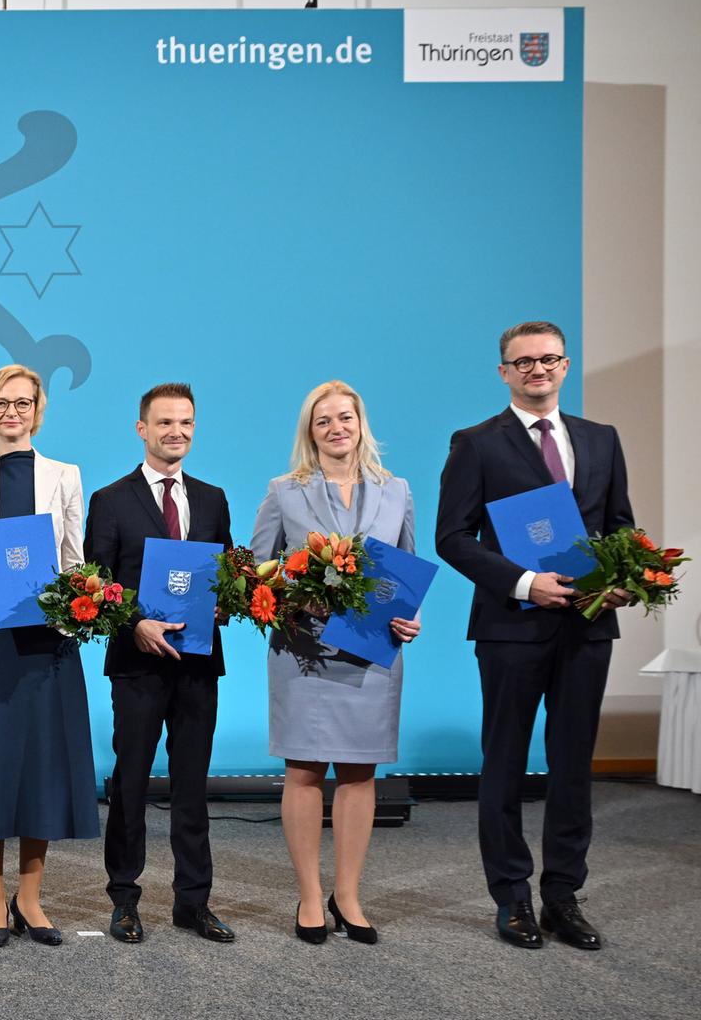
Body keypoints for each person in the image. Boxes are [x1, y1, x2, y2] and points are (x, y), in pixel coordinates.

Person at [435, 320, 634, 951]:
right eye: (523, 362)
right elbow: (452, 538)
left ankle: (563, 898)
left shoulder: (601, 440)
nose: (537, 370)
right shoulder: (476, 443)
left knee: (574, 766)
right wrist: (524, 583)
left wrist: (626, 578)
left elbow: (620, 526)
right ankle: (513, 898)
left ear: (566, 365)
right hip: (511, 627)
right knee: (505, 763)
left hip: (587, 625)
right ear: (504, 372)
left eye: (548, 360)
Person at [249, 380, 420, 945]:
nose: (336, 428)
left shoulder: (397, 491)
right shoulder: (283, 491)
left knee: (359, 772)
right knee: (303, 771)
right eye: (323, 421)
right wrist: (293, 599)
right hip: (305, 652)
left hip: (372, 654)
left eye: (345, 417)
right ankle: (307, 896)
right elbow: (256, 573)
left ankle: (347, 895)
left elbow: (406, 573)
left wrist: (408, 620)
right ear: (310, 432)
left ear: (360, 424)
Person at [0, 364, 98, 948]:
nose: (12, 413)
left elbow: (76, 560)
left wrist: (80, 594)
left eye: (22, 404)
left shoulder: (66, 476)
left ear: (37, 410)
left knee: (41, 766)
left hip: (46, 637)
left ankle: (30, 899)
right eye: (1, 404)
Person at [84, 382, 236, 945]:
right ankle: (124, 899)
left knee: (193, 786)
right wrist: (136, 623)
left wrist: (227, 596)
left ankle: (193, 903)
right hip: (138, 662)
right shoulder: (111, 499)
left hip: (197, 664)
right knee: (131, 783)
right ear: (142, 429)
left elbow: (225, 569)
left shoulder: (214, 497)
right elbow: (96, 581)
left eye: (187, 423)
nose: (178, 432)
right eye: (166, 423)